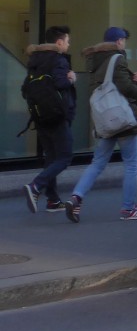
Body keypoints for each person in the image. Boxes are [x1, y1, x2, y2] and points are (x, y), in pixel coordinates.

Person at [64, 27, 137, 222]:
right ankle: (128, 209)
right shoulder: (117, 59)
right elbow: (127, 89)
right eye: (124, 40)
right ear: (118, 41)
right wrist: (135, 82)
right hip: (123, 120)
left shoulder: (94, 61)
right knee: (132, 165)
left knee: (97, 163)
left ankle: (76, 197)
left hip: (104, 121)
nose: (125, 44)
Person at [22, 25, 78, 213]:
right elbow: (61, 83)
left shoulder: (35, 60)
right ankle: (36, 185)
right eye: (68, 41)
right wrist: (71, 78)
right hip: (57, 115)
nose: (69, 45)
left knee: (52, 157)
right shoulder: (58, 60)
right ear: (59, 42)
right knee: (64, 157)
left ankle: (53, 200)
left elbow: (25, 88)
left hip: (40, 116)